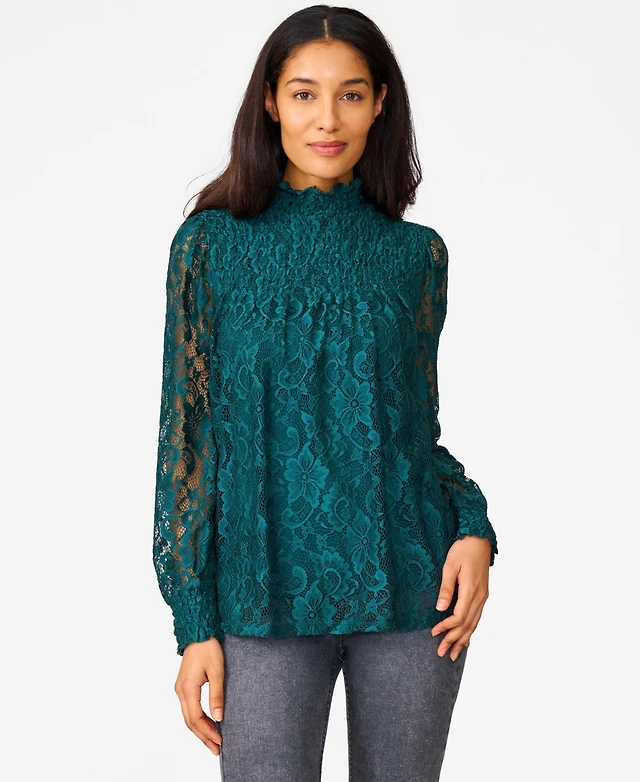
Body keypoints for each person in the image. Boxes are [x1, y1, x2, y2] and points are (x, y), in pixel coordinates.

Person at [152, 5, 499, 780]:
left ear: (380, 104)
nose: (328, 119)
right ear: (270, 102)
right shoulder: (210, 247)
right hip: (261, 600)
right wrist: (194, 622)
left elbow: (413, 435)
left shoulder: (414, 256)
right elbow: (189, 442)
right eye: (304, 93)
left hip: (413, 594)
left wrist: (473, 528)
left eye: (351, 94)